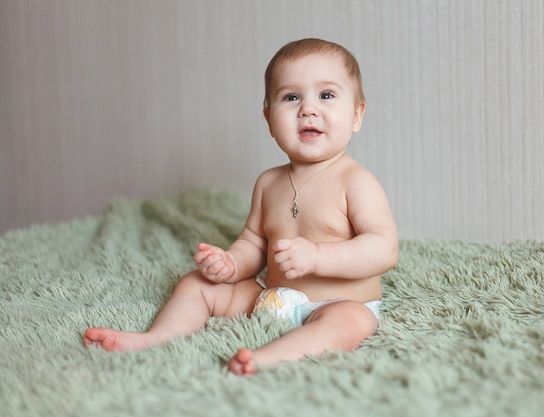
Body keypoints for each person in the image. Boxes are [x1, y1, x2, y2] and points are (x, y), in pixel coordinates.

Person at [84, 38, 398, 375]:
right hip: (272, 297)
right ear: (268, 118)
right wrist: (231, 264)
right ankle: (158, 336)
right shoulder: (268, 183)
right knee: (197, 284)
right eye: (291, 97)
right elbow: (254, 242)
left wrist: (318, 257)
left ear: (356, 114)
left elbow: (384, 248)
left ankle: (269, 358)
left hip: (339, 302)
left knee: (349, 324)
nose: (308, 108)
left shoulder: (356, 181)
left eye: (326, 95)